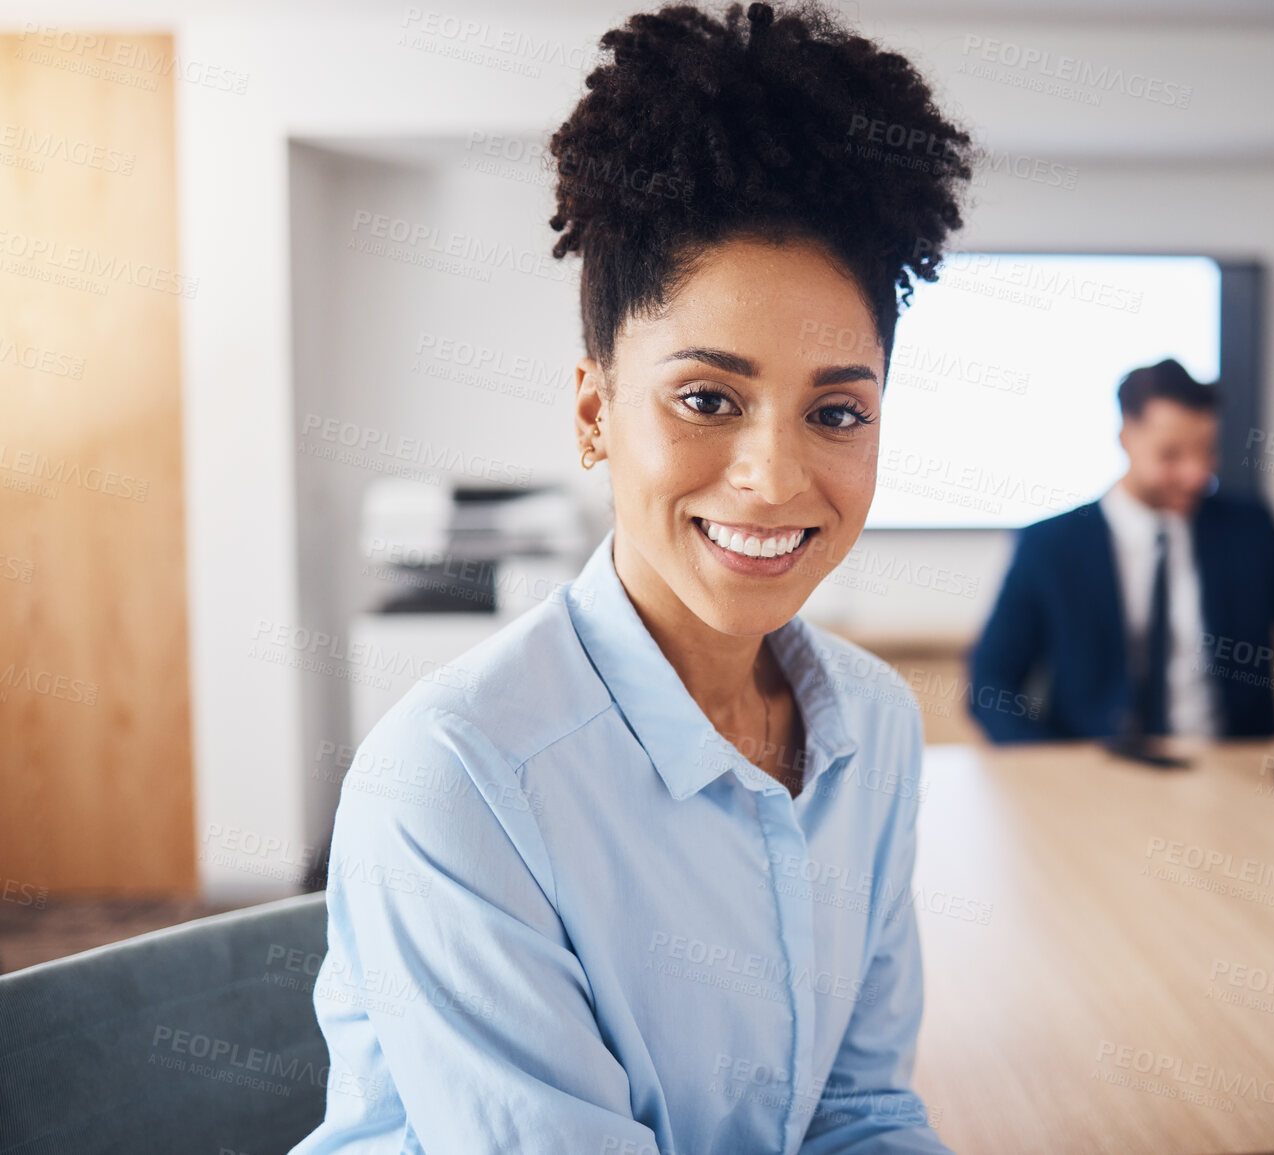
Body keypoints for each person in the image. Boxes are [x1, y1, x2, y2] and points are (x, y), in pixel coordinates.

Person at [292, 3, 971, 1151]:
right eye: (708, 398)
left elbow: (860, 1111)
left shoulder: (876, 729)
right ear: (597, 411)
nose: (772, 477)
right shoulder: (455, 782)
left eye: (837, 411)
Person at [968, 359, 1274, 745]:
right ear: (1126, 439)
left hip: (1232, 772)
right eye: (1171, 455)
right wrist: (1054, 769)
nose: (1196, 474)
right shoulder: (1050, 546)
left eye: (1206, 451)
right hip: (1099, 774)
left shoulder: (1249, 531)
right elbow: (989, 684)